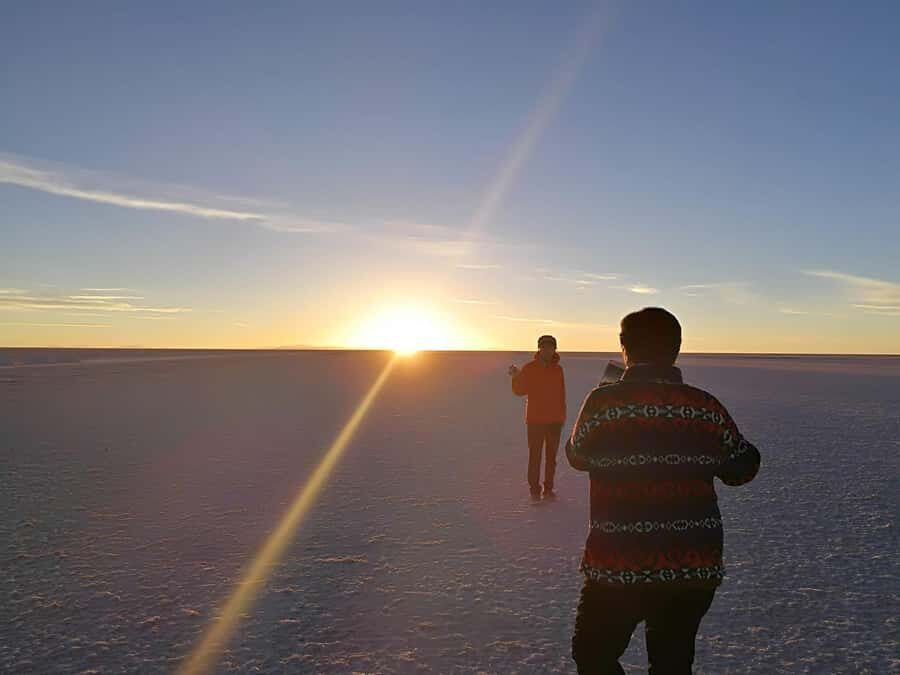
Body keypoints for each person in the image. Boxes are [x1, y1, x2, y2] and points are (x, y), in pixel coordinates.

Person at [566, 308, 760, 674]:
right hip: (691, 565)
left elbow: (577, 456)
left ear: (624, 347)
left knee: (593, 656)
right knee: (672, 663)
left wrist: (606, 397)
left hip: (619, 563)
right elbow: (742, 469)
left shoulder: (604, 402)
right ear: (677, 348)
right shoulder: (704, 406)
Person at [509, 334, 567, 500]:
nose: (547, 350)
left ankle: (548, 489)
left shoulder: (558, 370)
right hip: (535, 420)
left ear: (555, 349)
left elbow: (561, 394)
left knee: (551, 458)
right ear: (539, 349)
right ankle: (534, 490)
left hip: (555, 421)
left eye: (551, 347)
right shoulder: (529, 368)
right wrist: (515, 378)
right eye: (544, 347)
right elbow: (520, 391)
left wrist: (562, 416)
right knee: (535, 457)